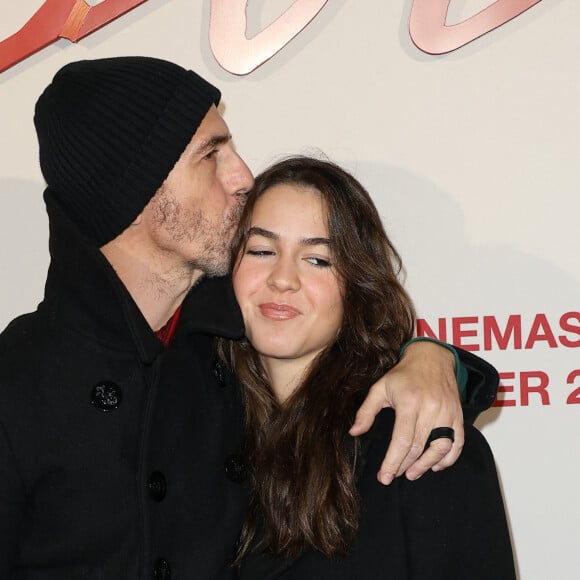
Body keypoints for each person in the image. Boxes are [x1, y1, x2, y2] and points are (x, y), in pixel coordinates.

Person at [0, 57, 497, 579]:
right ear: (133, 186)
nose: (242, 176)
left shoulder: (216, 357)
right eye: (211, 154)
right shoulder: (19, 382)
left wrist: (435, 360)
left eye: (318, 258)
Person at [219, 155, 515, 579]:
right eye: (262, 250)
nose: (283, 279)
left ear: (357, 285)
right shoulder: (191, 428)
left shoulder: (420, 447)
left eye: (318, 259)